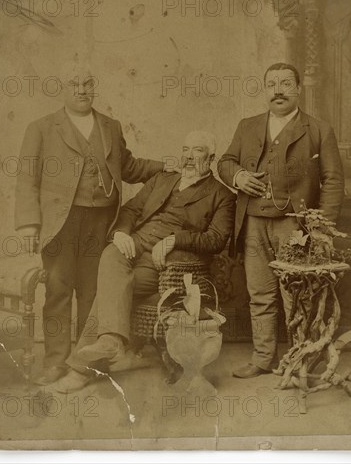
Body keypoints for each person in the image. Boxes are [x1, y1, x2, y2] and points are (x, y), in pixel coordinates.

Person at [14, 56, 164, 385]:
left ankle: (84, 363)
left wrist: (164, 167)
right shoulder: (41, 128)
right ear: (62, 89)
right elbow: (27, 178)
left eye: (88, 84)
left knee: (93, 292)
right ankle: (54, 361)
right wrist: (29, 224)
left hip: (102, 222)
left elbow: (129, 167)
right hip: (61, 222)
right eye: (74, 85)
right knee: (57, 289)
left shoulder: (110, 126)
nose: (82, 91)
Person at [49, 130, 236, 393]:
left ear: (211, 158)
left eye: (197, 151)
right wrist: (122, 233)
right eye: (185, 150)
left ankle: (85, 366)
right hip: (136, 244)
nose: (189, 157)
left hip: (165, 262)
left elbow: (215, 239)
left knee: (111, 289)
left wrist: (176, 240)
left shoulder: (222, 196)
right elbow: (131, 210)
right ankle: (110, 341)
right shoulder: (163, 178)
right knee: (112, 253)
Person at [218, 62, 344, 378]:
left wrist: (322, 229)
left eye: (286, 83)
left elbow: (333, 179)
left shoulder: (318, 129)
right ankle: (262, 358)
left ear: (298, 89)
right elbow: (225, 162)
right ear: (264, 90)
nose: (278, 90)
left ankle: (297, 360)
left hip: (295, 227)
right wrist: (240, 176)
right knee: (259, 294)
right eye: (272, 83)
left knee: (297, 297)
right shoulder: (247, 126)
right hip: (253, 223)